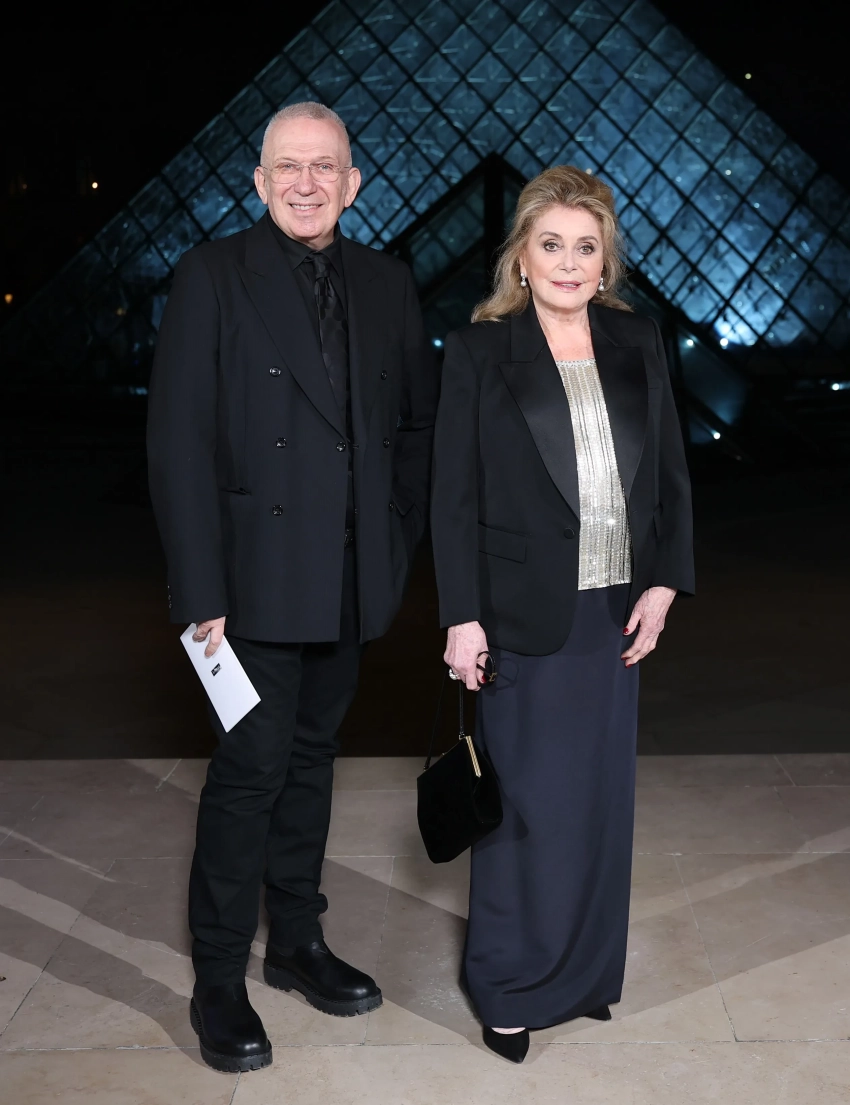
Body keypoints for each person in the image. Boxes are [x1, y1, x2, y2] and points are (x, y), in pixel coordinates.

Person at [147, 102, 436, 1073]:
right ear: (260, 181)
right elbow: (178, 440)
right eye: (287, 167)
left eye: (324, 167)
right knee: (250, 773)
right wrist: (200, 587)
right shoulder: (212, 274)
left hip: (349, 578)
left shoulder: (389, 282)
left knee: (313, 761)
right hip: (252, 581)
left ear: (353, 183)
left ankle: (297, 942)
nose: (305, 183)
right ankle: (218, 977)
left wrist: (392, 541)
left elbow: (413, 428)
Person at [430, 166, 694, 1064]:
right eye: (553, 245)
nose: (570, 262)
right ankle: (507, 986)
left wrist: (663, 584)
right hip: (520, 616)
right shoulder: (478, 350)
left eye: (587, 247)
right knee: (520, 813)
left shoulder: (636, 338)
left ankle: (581, 976)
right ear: (522, 255)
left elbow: (670, 473)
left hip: (612, 610)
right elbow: (452, 499)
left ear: (605, 259)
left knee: (597, 806)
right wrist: (462, 616)